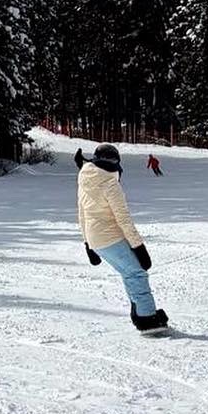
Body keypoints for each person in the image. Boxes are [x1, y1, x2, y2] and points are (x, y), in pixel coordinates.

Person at [75, 143, 168, 334]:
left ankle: (139, 313)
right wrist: (139, 247)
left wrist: (87, 243)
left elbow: (82, 213)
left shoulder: (85, 178)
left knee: (129, 273)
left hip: (96, 238)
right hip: (110, 236)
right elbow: (123, 219)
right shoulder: (110, 184)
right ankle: (147, 319)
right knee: (137, 273)